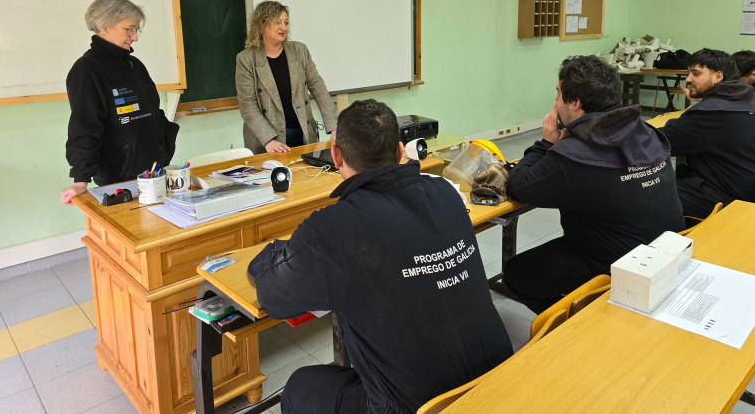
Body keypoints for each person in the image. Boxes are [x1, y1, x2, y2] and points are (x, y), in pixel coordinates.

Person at [247, 100, 513, 413]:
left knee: (300, 388)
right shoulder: (443, 192)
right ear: (400, 152)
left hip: (415, 405)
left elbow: (273, 295)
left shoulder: (333, 228)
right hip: (498, 379)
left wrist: (287, 249)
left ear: (336, 156)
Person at [503, 55, 684, 314]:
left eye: (558, 94)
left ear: (575, 103)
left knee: (517, 273)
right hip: (667, 251)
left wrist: (546, 144)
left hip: (621, 265)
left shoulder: (575, 153)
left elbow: (519, 186)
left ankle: (576, 325)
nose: (555, 101)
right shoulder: (645, 131)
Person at [61, 0, 179, 205]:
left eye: (137, 30)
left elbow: (151, 111)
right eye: (129, 29)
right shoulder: (87, 70)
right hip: (119, 179)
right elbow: (85, 126)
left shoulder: (134, 65)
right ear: (105, 26)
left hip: (152, 173)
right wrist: (81, 179)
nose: (135, 37)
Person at [658, 48, 755, 224]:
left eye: (696, 74)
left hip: (732, 201)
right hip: (746, 190)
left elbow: (661, 141)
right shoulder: (746, 97)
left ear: (718, 76)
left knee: (653, 192)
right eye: (688, 73)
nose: (688, 79)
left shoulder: (709, 114)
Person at [236, 0, 337, 154]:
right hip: (267, 140)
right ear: (262, 24)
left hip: (303, 133)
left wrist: (333, 126)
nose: (284, 27)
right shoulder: (246, 59)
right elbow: (248, 106)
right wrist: (269, 139)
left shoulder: (299, 50)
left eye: (286, 22)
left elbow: (318, 87)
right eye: (277, 22)